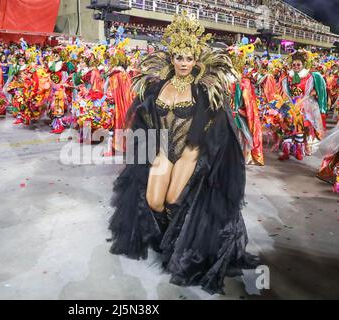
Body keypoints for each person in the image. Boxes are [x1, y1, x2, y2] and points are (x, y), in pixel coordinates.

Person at [108, 12, 259, 295]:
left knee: (174, 198)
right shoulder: (156, 86)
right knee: (154, 201)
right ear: (172, 57)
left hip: (190, 152)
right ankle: (168, 239)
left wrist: (202, 153)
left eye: (189, 58)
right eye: (179, 58)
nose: (184, 64)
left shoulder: (204, 90)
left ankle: (179, 249)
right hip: (165, 150)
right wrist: (150, 149)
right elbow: (145, 119)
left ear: (196, 60)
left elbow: (215, 128)